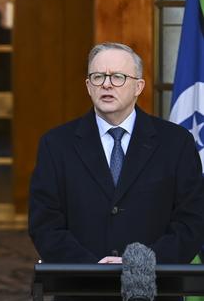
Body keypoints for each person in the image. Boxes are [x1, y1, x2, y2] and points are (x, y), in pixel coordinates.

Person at [29, 42, 204, 264]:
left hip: (156, 287)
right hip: (80, 287)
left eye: (118, 77)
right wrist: (92, 269)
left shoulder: (176, 143)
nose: (106, 85)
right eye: (98, 77)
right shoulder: (55, 145)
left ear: (138, 87)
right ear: (88, 86)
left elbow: (192, 223)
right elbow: (44, 225)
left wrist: (140, 265)